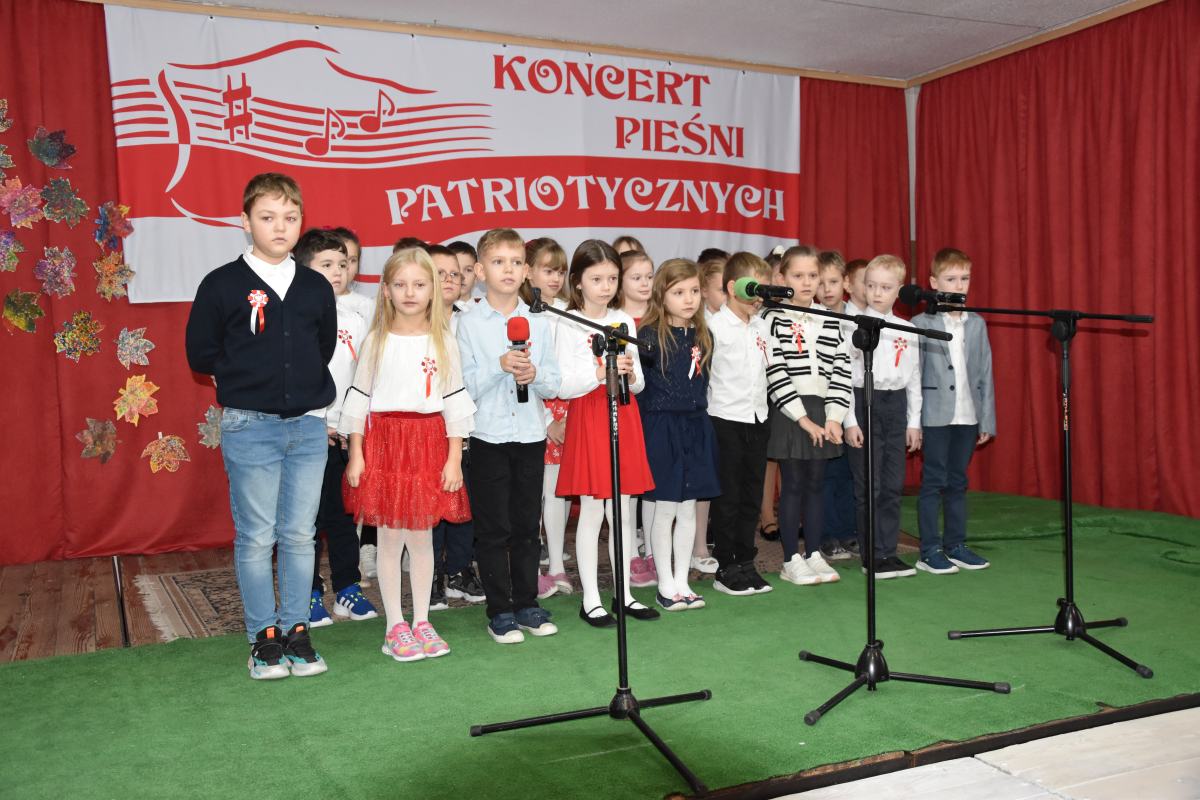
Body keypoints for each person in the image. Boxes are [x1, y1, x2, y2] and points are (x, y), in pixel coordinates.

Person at [184, 173, 335, 680]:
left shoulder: (314, 286)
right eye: (268, 217)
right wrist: (248, 381)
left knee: (300, 535)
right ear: (246, 222)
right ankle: (263, 639)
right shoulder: (222, 284)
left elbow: (322, 347)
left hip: (307, 428)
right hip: (250, 426)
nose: (280, 227)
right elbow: (201, 354)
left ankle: (296, 631)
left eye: (290, 218)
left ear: (301, 223)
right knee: (256, 536)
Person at [341, 247, 474, 661]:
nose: (410, 292)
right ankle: (394, 625)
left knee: (421, 537)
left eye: (419, 284)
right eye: (400, 284)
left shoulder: (444, 340)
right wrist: (356, 453)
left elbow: (454, 401)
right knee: (389, 536)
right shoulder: (377, 341)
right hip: (384, 443)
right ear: (386, 291)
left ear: (433, 290)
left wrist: (454, 457)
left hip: (428, 443)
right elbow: (359, 399)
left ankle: (422, 621)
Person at [456, 228, 563, 643]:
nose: (509, 269)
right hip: (488, 435)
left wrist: (535, 374)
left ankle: (527, 603)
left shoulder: (538, 320)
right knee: (494, 528)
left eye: (516, 262)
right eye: (499, 262)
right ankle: (499, 610)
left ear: (526, 271)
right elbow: (463, 387)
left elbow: (553, 381)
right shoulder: (468, 323)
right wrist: (499, 366)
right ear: (480, 271)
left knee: (525, 525)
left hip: (530, 433)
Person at [555, 239, 660, 626]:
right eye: (596, 279)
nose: (605, 287)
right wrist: (599, 373)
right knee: (592, 509)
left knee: (623, 510)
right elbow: (563, 385)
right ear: (578, 281)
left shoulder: (624, 320)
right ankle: (591, 599)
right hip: (589, 415)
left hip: (624, 412)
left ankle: (624, 594)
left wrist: (629, 374)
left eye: (612, 278)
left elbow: (640, 384)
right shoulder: (566, 320)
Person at [292, 228, 379, 627]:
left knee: (344, 515)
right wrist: (314, 421)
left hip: (347, 433)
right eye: (326, 264)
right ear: (303, 268)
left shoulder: (356, 317)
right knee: (307, 521)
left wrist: (353, 426)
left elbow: (364, 376)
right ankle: (308, 592)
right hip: (309, 431)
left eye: (343, 264)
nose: (338, 272)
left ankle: (347, 587)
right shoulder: (294, 315)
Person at [761, 246, 853, 587]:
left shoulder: (831, 318)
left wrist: (835, 416)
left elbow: (841, 369)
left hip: (822, 411)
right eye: (798, 276)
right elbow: (775, 371)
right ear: (782, 278)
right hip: (790, 411)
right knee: (794, 485)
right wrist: (802, 418)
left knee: (816, 484)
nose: (807, 282)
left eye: (813, 276)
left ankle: (813, 552)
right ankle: (790, 559)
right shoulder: (772, 318)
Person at [637, 259, 720, 611]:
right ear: (661, 295)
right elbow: (640, 391)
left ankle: (683, 581)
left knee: (688, 510)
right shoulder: (648, 336)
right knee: (666, 508)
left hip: (695, 426)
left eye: (694, 291)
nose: (689, 299)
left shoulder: (703, 334)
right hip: (662, 429)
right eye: (679, 292)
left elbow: (702, 381)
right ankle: (665, 583)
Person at [911, 248, 996, 573]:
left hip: (967, 415)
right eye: (950, 279)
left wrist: (986, 419)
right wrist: (914, 422)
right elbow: (915, 376)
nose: (958, 286)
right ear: (934, 283)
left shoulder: (977, 324)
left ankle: (956, 544)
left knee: (958, 481)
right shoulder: (921, 323)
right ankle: (929, 549)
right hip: (935, 416)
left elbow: (985, 373)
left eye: (964, 279)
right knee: (933, 481)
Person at [843, 255, 922, 579]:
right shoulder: (853, 326)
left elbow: (914, 377)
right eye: (871, 286)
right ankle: (871, 555)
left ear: (898, 291)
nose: (877, 293)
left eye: (885, 287)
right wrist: (850, 421)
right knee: (870, 486)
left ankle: (889, 552)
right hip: (865, 401)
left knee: (891, 485)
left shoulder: (908, 329)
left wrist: (913, 421)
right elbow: (844, 377)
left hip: (896, 405)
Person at [707, 252, 774, 596]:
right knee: (728, 497)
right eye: (754, 289)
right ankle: (726, 566)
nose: (760, 297)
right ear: (733, 287)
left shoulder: (761, 326)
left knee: (751, 494)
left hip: (757, 418)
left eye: (764, 289)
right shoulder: (715, 327)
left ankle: (746, 561)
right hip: (725, 419)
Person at [427, 244, 484, 610]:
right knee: (433, 504)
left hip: (469, 426)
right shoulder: (412, 323)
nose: (450, 279)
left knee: (466, 500)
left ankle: (460, 569)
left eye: (456, 273)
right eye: (440, 273)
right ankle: (431, 572)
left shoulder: (472, 320)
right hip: (428, 426)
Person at [520, 237, 573, 596]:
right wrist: (547, 421)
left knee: (559, 490)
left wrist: (566, 417)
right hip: (534, 410)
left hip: (568, 408)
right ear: (528, 272)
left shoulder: (570, 312)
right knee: (533, 493)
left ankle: (557, 566)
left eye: (560, 271)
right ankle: (532, 568)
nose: (555, 278)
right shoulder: (523, 313)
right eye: (547, 270)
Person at [617, 249, 657, 587]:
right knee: (628, 485)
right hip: (629, 407)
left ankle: (655, 551)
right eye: (636, 277)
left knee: (653, 484)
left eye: (649, 276)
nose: (645, 284)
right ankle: (630, 552)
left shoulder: (661, 317)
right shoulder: (616, 320)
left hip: (658, 410)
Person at [816, 250, 859, 561]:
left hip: (853, 404)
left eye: (833, 282)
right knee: (826, 474)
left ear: (845, 282)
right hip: (824, 405)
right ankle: (826, 534)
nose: (827, 289)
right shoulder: (813, 318)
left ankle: (848, 531)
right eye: (821, 283)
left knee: (849, 472)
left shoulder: (858, 317)